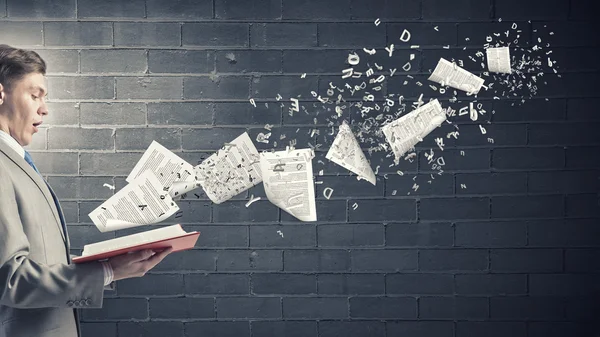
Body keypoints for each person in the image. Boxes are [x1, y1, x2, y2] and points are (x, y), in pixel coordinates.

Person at [0, 44, 173, 337]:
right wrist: (107, 271)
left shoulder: (17, 161)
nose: (44, 108)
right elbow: (11, 280)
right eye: (34, 95)